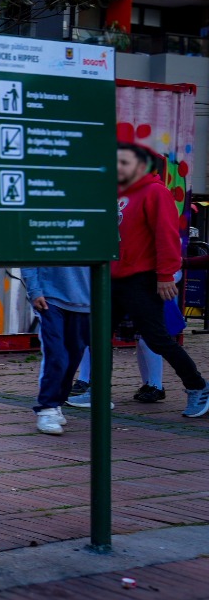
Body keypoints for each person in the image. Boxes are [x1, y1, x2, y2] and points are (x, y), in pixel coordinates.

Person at [113, 142, 209, 418]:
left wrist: (165, 275)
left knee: (157, 338)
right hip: (115, 278)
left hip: (142, 279)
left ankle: (198, 386)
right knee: (94, 335)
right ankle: (89, 390)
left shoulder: (155, 192)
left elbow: (166, 237)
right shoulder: (119, 194)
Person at [22, 266, 90, 435]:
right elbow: (29, 256)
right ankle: (47, 407)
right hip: (49, 298)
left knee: (74, 355)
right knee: (56, 354)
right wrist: (34, 290)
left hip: (85, 300)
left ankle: (57, 402)